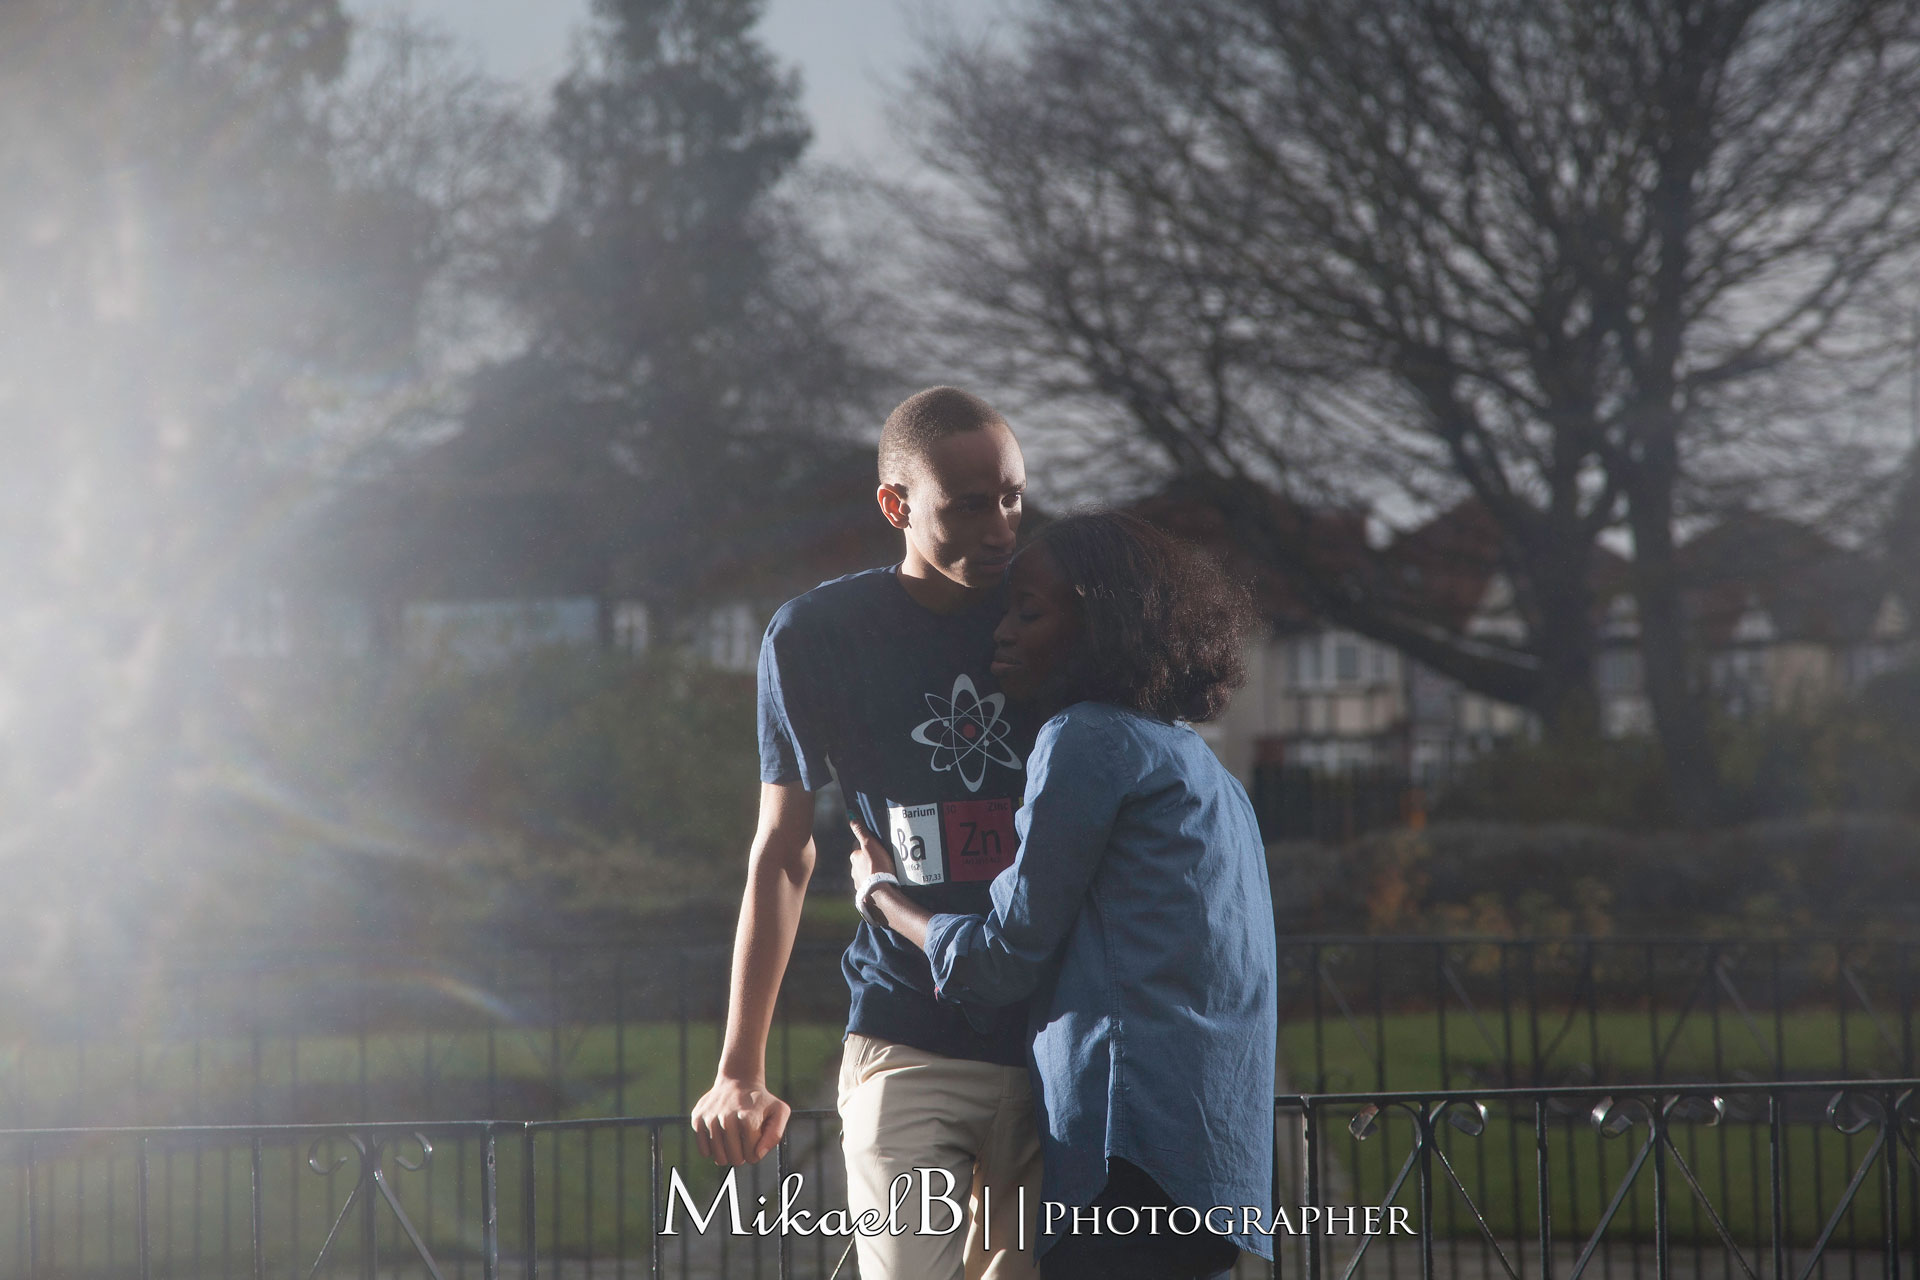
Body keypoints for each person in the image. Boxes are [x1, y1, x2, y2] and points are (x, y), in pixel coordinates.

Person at [850, 511, 1278, 1280]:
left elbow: (1003, 958)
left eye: (1029, 611)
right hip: (1215, 1161)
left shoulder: (1087, 739)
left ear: (1100, 626)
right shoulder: (1201, 767)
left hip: (1124, 1146)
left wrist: (883, 894)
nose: (1001, 634)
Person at [690, 387, 1043, 1280]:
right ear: (897, 505)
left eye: (1011, 497)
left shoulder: (1058, 619)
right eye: (969, 505)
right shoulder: (816, 637)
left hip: (1060, 1041)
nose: (1001, 528)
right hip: (907, 1034)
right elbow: (783, 850)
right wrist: (740, 1067)